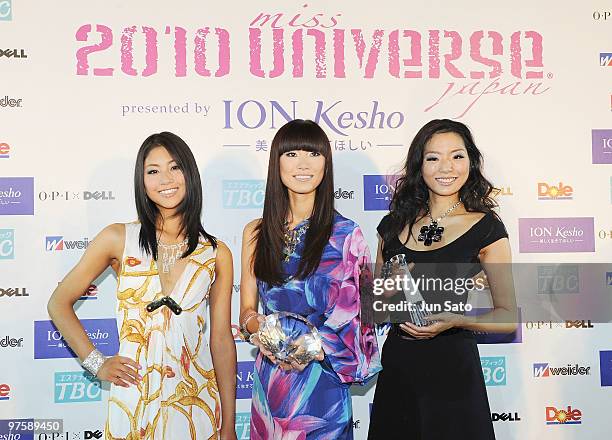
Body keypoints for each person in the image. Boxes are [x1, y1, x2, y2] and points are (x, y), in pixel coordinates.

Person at [47, 132, 237, 440]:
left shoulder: (216, 253)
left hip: (196, 403)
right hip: (133, 402)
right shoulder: (118, 238)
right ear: (142, 181)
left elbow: (221, 341)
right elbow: (58, 302)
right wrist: (96, 362)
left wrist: (228, 424)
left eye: (175, 167)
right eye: (153, 170)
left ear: (189, 174)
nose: (166, 179)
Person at [368, 119, 517, 440]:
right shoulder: (392, 226)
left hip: (453, 372)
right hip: (399, 369)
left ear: (471, 162)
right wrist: (386, 290)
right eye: (433, 157)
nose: (446, 167)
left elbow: (508, 317)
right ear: (419, 165)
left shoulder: (487, 228)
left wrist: (455, 320)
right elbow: (376, 309)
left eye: (457, 156)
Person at [239, 119, 381, 439]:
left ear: (325, 164)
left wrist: (315, 346)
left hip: (323, 379)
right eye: (291, 154)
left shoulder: (347, 234)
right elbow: (247, 310)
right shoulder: (256, 233)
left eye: (313, 154)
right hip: (273, 376)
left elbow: (365, 314)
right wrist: (260, 330)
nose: (303, 164)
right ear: (276, 163)